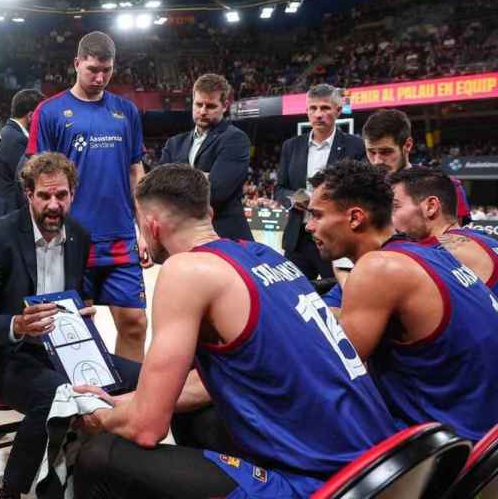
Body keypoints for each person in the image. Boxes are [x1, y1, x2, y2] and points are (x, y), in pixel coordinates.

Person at [72, 163, 396, 498]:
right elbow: (206, 385)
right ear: (208, 213)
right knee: (200, 416)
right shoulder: (265, 256)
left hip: (327, 485)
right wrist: (120, 402)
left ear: (152, 226)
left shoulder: (186, 270)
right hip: (382, 465)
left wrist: (94, 415)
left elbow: (146, 428)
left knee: (99, 458)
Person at [0, 153, 140, 499]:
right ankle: (10, 493)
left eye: (61, 195)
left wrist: (83, 313)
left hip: (61, 352)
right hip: (4, 358)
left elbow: (79, 296)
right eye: (44, 196)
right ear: (28, 194)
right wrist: (17, 324)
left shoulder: (79, 235)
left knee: (137, 378)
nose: (53, 205)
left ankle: (101, 474)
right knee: (58, 394)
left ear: (73, 193)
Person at [307, 160, 498, 441]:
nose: (309, 226)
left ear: (355, 218)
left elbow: (332, 374)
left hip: (445, 448)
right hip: (482, 435)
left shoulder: (378, 267)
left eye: (317, 215)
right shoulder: (429, 252)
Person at [26, 31, 149, 362]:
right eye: (92, 68)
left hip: (121, 237)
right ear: (77, 63)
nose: (99, 77)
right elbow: (36, 177)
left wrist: (145, 229)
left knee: (135, 323)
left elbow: (135, 171)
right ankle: (85, 406)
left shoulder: (127, 111)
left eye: (106, 70)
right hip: (71, 239)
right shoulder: (49, 112)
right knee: (78, 328)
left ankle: (130, 399)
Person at [274, 84, 365, 281]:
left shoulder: (355, 146)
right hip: (298, 238)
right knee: (292, 296)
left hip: (335, 239)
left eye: (325, 108)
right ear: (306, 111)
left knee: (336, 296)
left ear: (338, 111)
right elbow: (279, 189)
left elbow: (360, 192)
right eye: (313, 108)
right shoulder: (291, 146)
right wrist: (293, 199)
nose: (318, 114)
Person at [160, 73, 253, 242]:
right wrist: (201, 176)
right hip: (183, 236)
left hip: (224, 233)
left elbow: (217, 191)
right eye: (198, 104)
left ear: (225, 106)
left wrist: (176, 179)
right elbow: (159, 188)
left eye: (210, 106)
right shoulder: (174, 143)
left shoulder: (235, 139)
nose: (202, 111)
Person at [389, 166, 498, 294]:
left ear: (431, 206)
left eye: (395, 206)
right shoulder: (484, 238)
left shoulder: (439, 253)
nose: (388, 216)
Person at [0, 89, 43, 221]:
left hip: (1, 210)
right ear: (31, 116)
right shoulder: (17, 139)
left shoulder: (8, 133)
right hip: (8, 213)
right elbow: (24, 183)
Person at [362, 108, 414, 175]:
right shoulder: (359, 183)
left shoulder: (427, 183)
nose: (377, 161)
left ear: (408, 145)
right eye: (372, 152)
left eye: (386, 152)